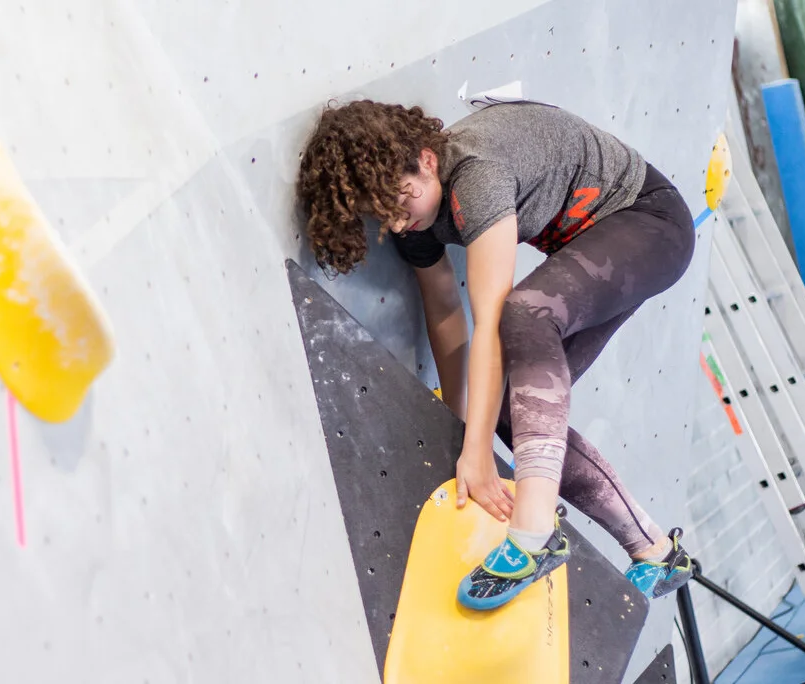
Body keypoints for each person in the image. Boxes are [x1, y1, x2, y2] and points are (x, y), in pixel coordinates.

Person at [294, 98, 695, 610]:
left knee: (522, 314)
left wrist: (478, 454)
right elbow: (443, 311)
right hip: (599, 251)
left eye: (400, 200)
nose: (395, 224)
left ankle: (533, 537)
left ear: (428, 160)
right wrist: (464, 429)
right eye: (382, 215)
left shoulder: (477, 174)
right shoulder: (416, 221)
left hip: (650, 222)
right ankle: (656, 553)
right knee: (511, 409)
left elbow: (490, 320)